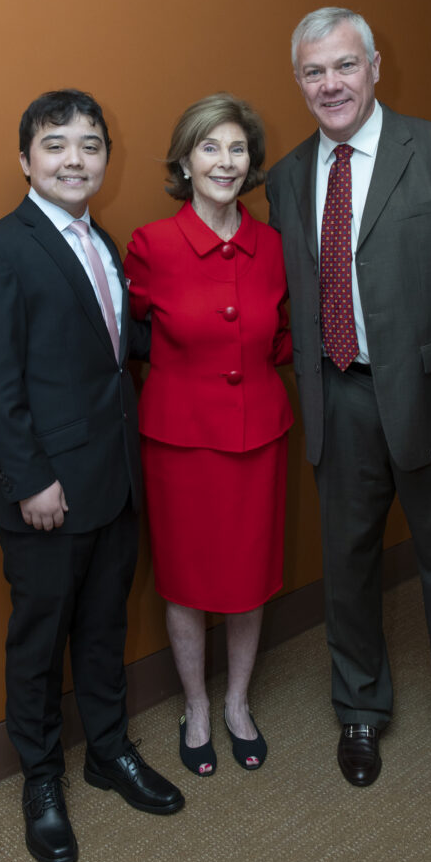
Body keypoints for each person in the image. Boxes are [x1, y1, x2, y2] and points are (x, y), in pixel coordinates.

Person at [266, 8, 431, 788]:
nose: (329, 84)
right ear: (298, 82)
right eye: (313, 71)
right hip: (337, 397)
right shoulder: (287, 178)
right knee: (346, 564)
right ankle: (359, 707)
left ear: (373, 67)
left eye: (344, 65)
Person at [0, 89, 183, 862]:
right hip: (45, 492)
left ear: (105, 160)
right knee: (39, 642)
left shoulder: (101, 240)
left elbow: (113, 348)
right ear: (25, 160)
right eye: (55, 145)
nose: (74, 159)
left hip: (114, 477)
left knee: (103, 627)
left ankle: (109, 751)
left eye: (89, 145)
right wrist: (30, 481)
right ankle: (42, 779)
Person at [124, 93, 293, 776]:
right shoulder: (150, 246)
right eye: (210, 147)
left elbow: (283, 336)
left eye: (237, 149)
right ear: (185, 162)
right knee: (186, 582)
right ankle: (196, 706)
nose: (225, 162)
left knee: (249, 578)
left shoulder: (274, 245)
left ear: (251, 162)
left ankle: (236, 703)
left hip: (259, 438)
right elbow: (127, 336)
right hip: (179, 444)